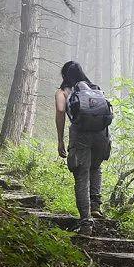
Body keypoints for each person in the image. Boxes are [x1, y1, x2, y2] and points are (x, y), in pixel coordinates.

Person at [55, 61, 111, 236]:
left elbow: (60, 110)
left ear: (65, 75)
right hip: (101, 135)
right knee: (95, 168)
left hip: (81, 135)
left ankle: (86, 223)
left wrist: (60, 140)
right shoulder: (94, 88)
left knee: (81, 175)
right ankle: (95, 206)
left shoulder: (63, 91)